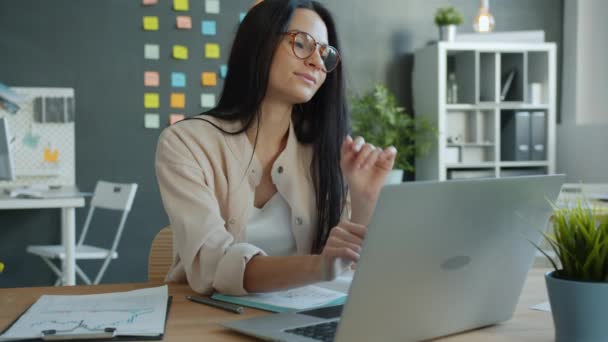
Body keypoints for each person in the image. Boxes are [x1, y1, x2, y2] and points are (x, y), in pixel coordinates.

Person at [155, 0, 397, 296]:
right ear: (259, 43)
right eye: (302, 43)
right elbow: (214, 263)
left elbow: (352, 271)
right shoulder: (186, 143)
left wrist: (365, 198)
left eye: (325, 53)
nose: (317, 62)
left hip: (300, 321)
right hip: (206, 319)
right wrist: (321, 266)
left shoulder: (330, 153)